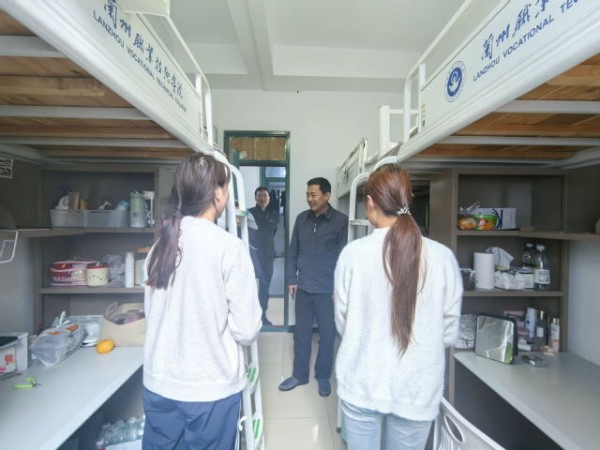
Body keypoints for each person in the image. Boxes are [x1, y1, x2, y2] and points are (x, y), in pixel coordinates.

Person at [333, 164, 463, 450]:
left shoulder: (352, 255)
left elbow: (343, 322)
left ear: (370, 203)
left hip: (362, 382)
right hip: (417, 388)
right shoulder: (443, 258)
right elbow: (449, 332)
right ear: (408, 200)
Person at [142, 153, 262, 450]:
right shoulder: (229, 248)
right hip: (209, 388)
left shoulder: (160, 246)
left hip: (160, 383)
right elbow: (246, 330)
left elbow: (154, 314)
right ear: (218, 194)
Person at [279, 177, 348, 397]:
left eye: (314, 195)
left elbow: (343, 256)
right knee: (301, 334)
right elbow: (293, 251)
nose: (309, 199)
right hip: (304, 286)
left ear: (326, 195)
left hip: (328, 289)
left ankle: (323, 376)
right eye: (307, 194)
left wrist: (339, 286)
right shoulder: (302, 219)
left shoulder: (341, 221)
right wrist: (291, 278)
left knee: (327, 336)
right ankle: (299, 375)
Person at [248, 186, 278, 325]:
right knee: (252, 286)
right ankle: (251, 315)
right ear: (255, 198)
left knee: (265, 286)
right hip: (254, 255)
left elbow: (273, 232)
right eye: (259, 195)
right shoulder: (249, 213)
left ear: (269, 198)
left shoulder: (273, 214)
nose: (262, 198)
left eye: (265, 195)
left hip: (268, 256)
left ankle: (262, 315)